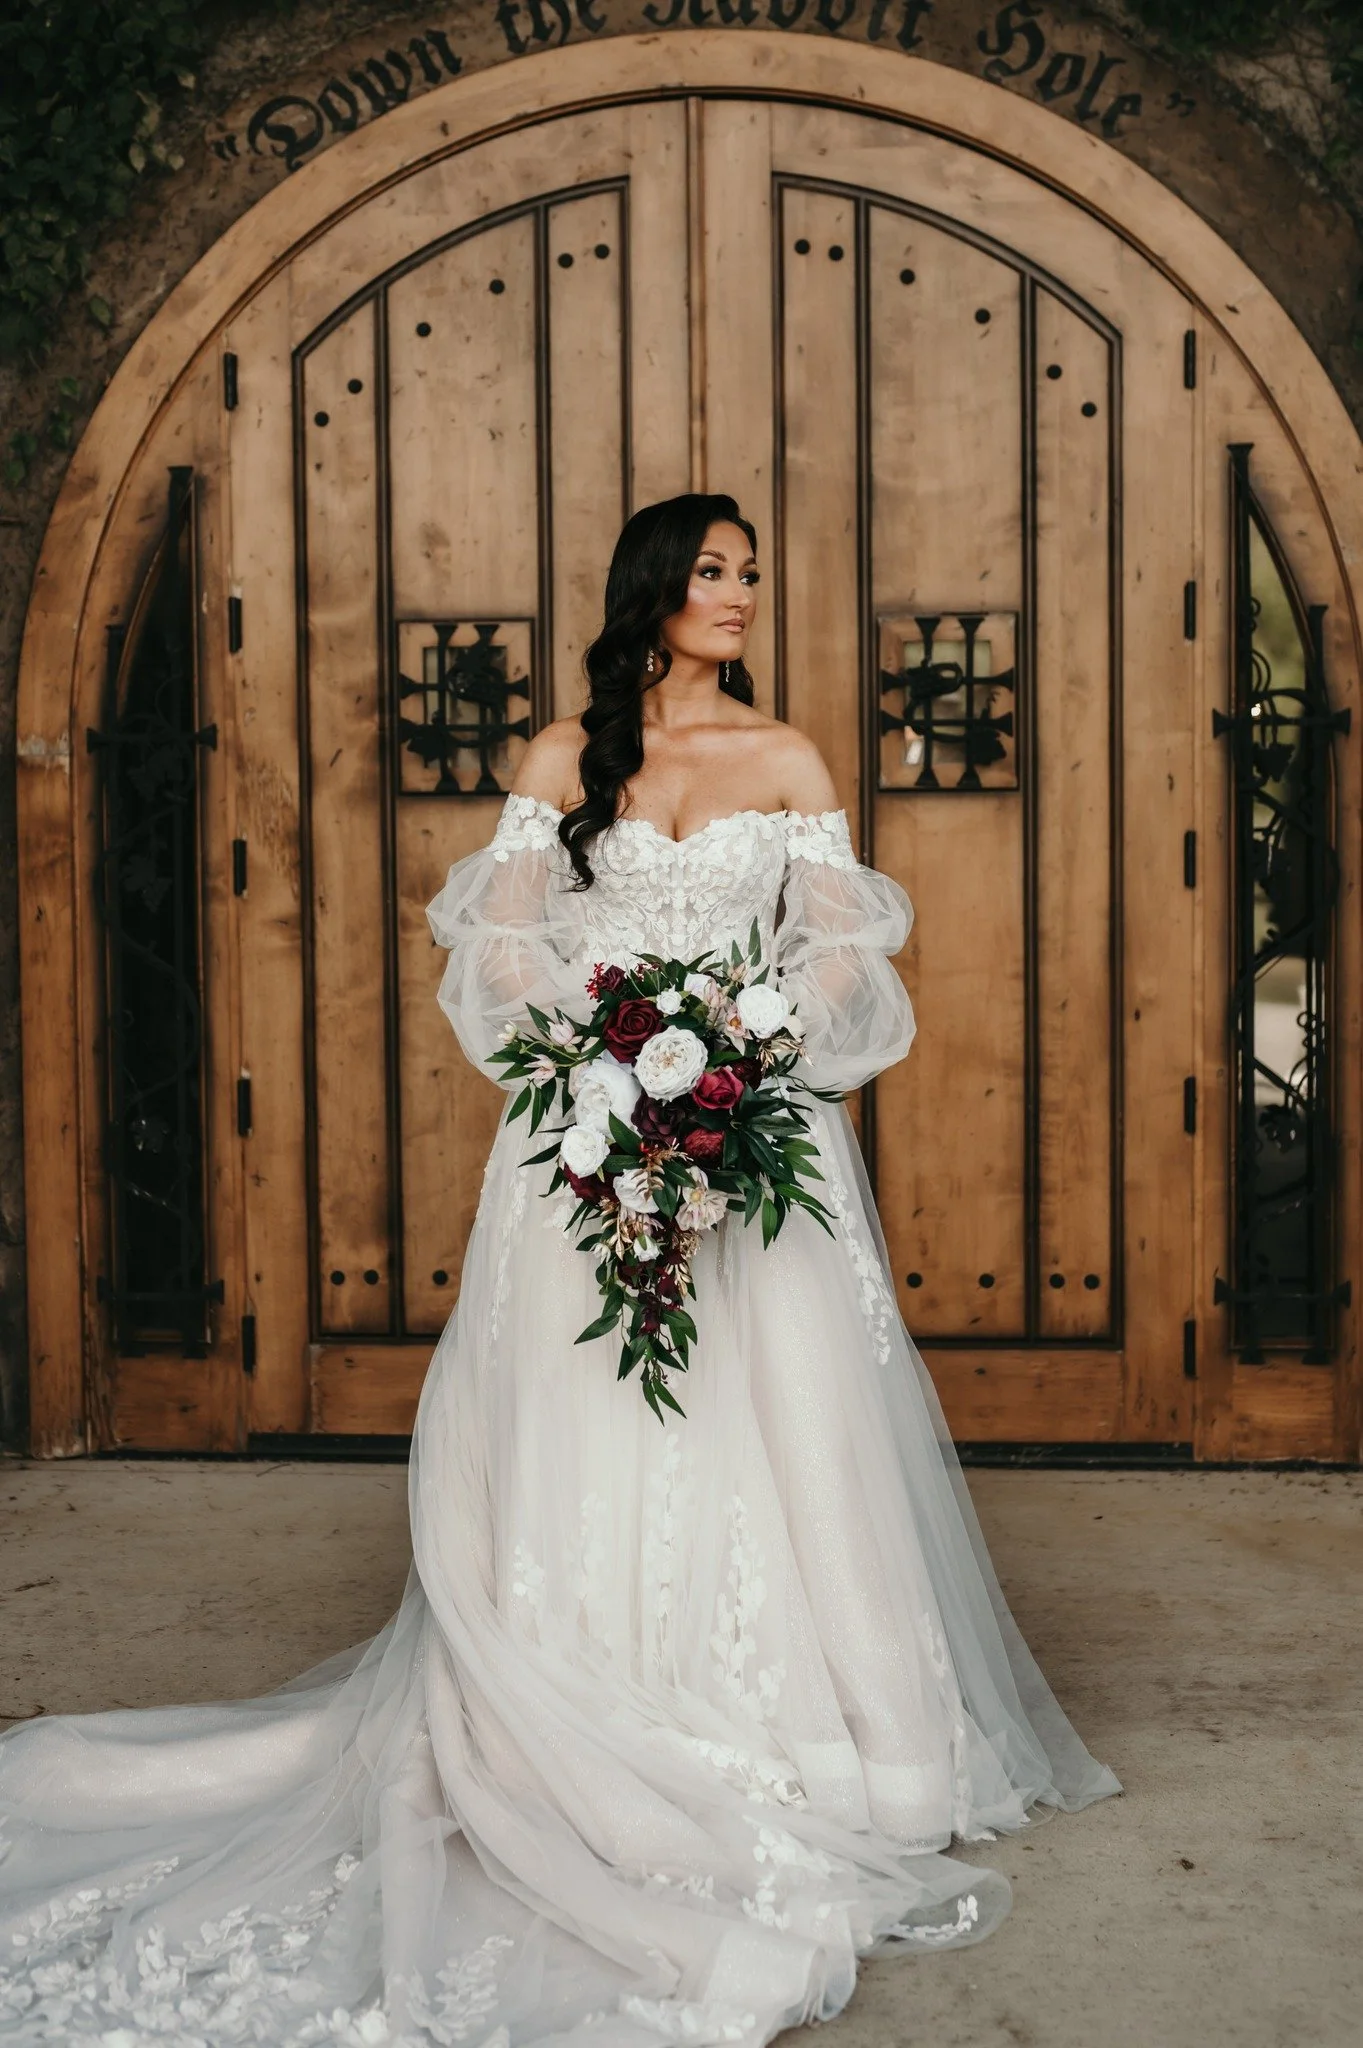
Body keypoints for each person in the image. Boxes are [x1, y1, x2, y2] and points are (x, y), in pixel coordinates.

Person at [0, 494, 1118, 2048]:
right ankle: (580, 1712)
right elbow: (498, 944)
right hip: (587, 1138)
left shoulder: (787, 756)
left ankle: (837, 1740)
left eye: (746, 573)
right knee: (587, 1405)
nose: (735, 594)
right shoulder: (556, 758)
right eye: (711, 572)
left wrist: (741, 1051)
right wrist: (610, 1056)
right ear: (654, 589)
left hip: (747, 1137)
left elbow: (845, 952)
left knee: (778, 1420)